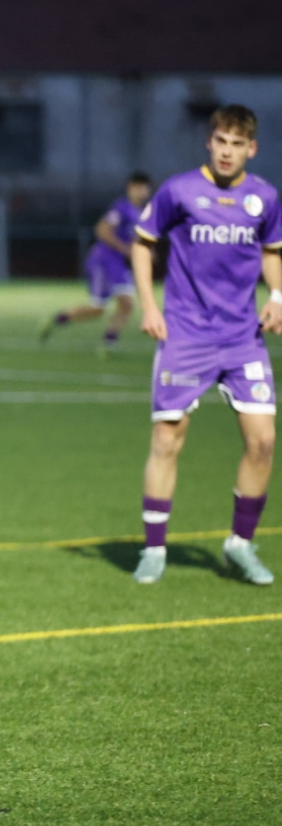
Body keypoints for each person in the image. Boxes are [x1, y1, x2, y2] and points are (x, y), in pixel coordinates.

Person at [131, 104, 282, 585]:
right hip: (187, 336)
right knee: (167, 439)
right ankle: (154, 550)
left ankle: (240, 545)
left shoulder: (265, 198)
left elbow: (271, 252)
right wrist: (149, 307)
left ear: (251, 149)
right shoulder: (179, 190)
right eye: (221, 141)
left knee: (263, 443)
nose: (227, 151)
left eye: (238, 144)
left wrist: (277, 295)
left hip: (242, 339)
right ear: (209, 142)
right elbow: (142, 242)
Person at [40, 173, 154, 352]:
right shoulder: (121, 208)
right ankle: (57, 319)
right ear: (129, 188)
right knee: (97, 309)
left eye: (143, 188)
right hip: (103, 260)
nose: (140, 191)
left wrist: (145, 252)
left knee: (127, 304)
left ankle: (108, 344)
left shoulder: (142, 213)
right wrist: (124, 249)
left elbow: (137, 240)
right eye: (136, 187)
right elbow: (102, 229)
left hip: (118, 264)